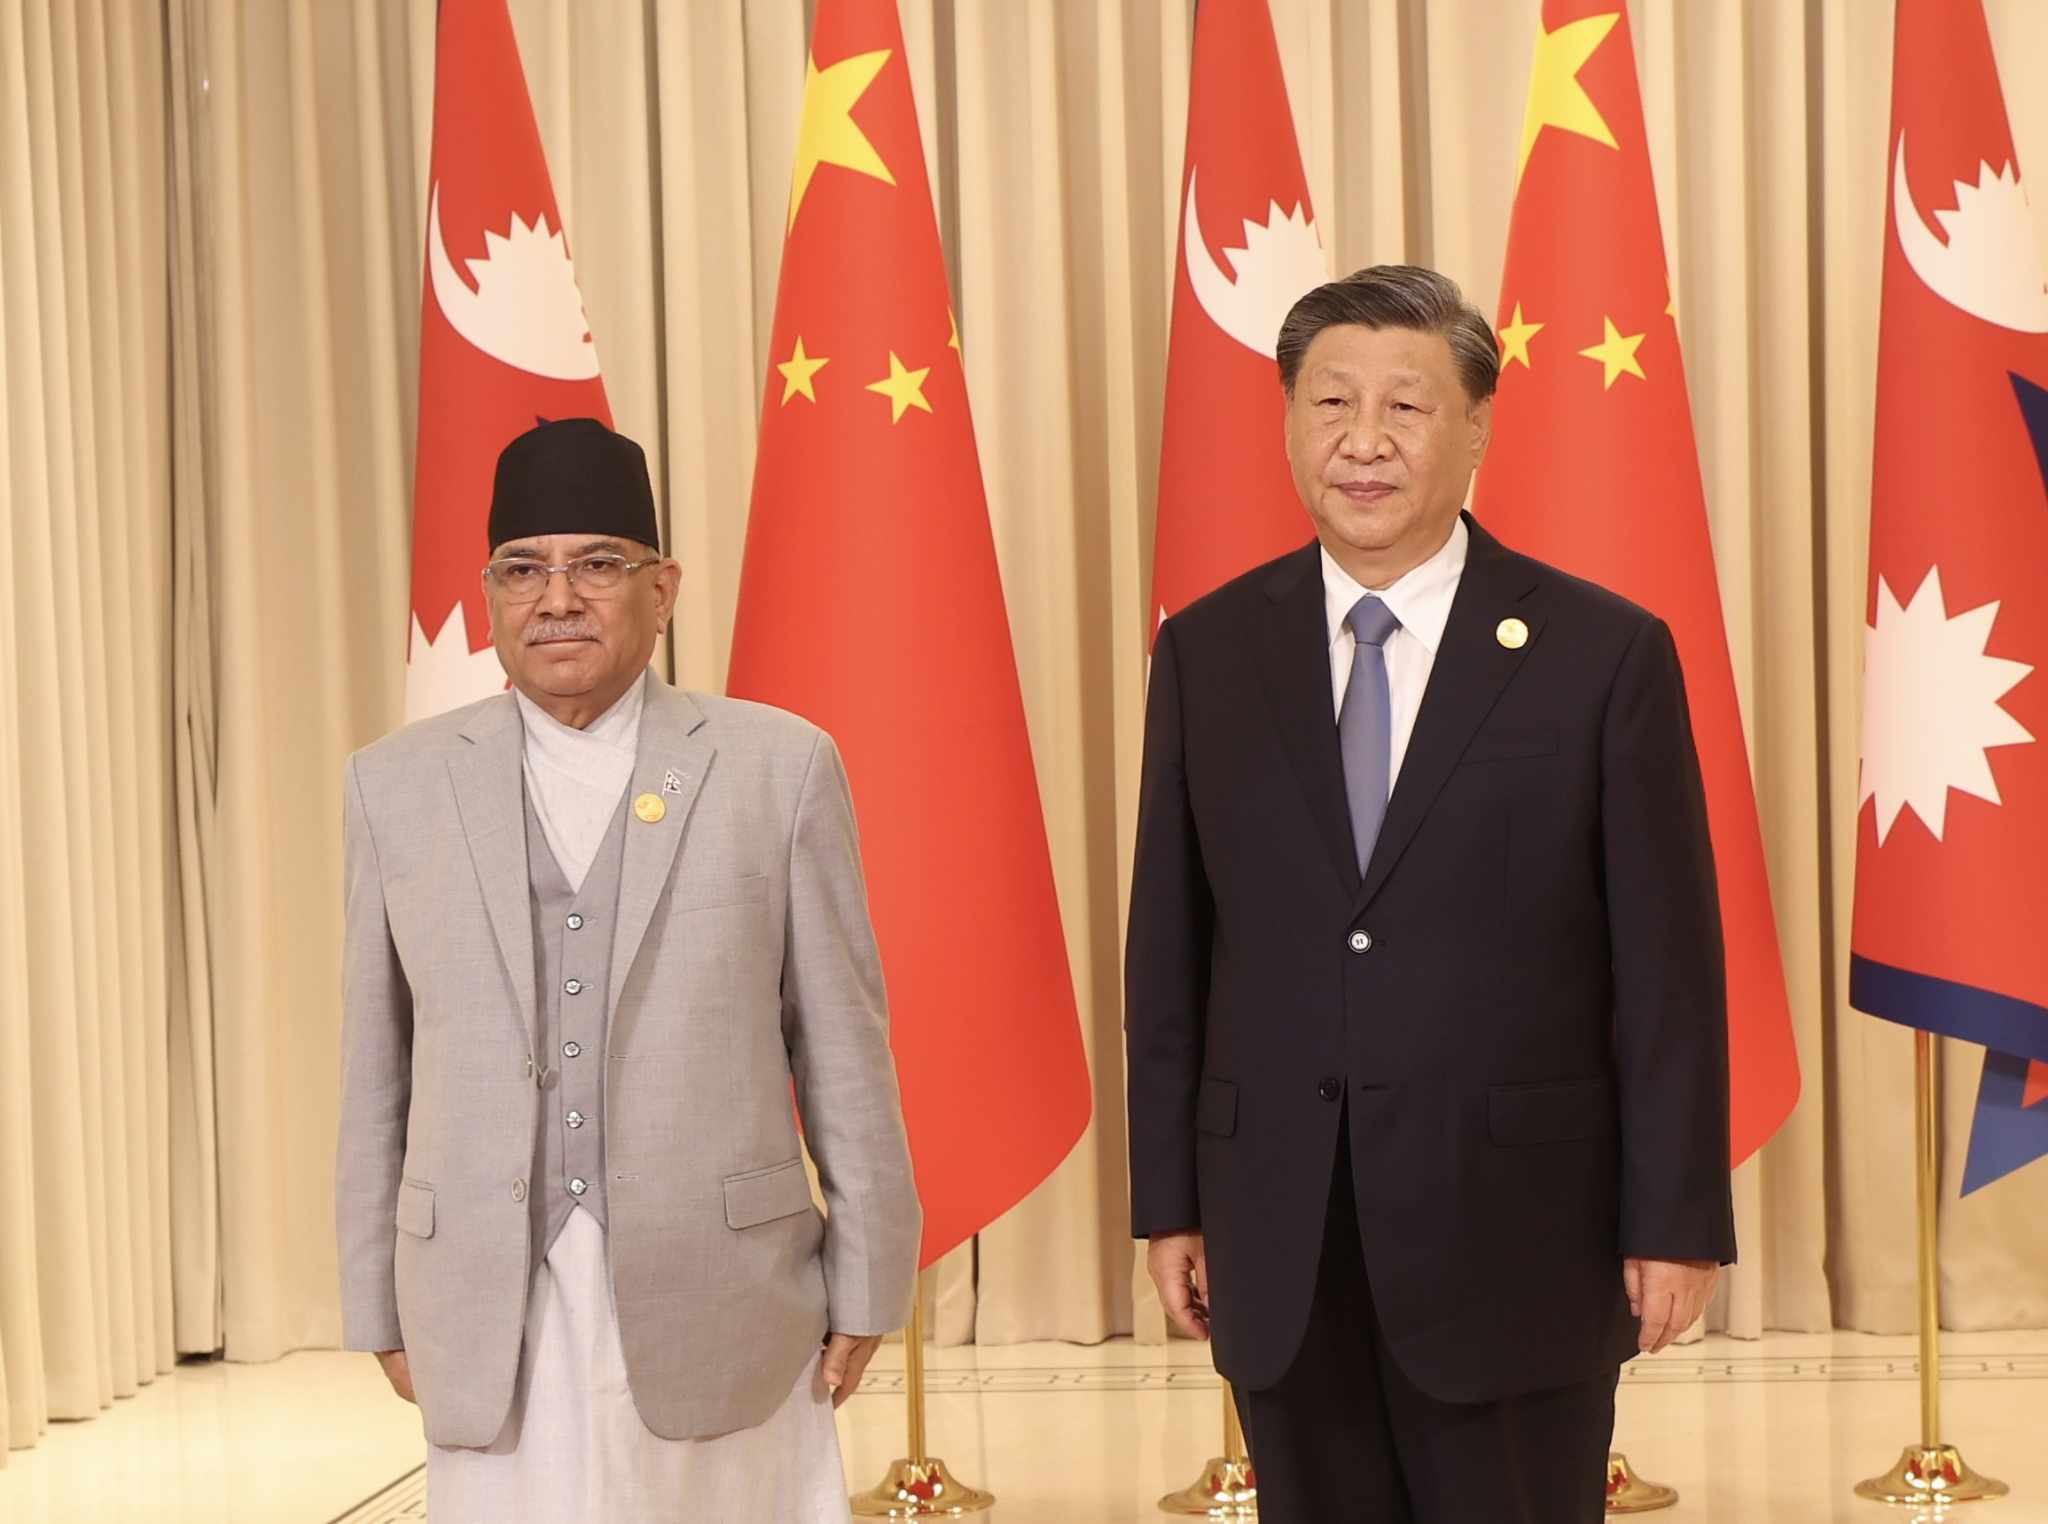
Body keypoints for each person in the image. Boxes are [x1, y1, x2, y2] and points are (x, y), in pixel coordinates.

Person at [1124, 265, 1735, 1524]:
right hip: (1282, 1226)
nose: (1362, 441)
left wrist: (1674, 1217)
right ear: (1287, 422)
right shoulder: (1208, 650)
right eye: (1329, 402)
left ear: (1476, 429)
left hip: (1519, 1233)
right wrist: (1169, 1201)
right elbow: (1170, 951)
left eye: (1404, 406)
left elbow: (1665, 966)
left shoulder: (1600, 651)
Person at [336, 417, 920, 1522]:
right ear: (489, 597)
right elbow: (376, 1067)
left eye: (597, 565)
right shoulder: (393, 786)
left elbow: (843, 1046)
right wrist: (373, 1296)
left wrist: (870, 1276)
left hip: (726, 1290)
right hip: (487, 1295)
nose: (557, 599)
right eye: (523, 570)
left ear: (663, 590)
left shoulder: (778, 766)